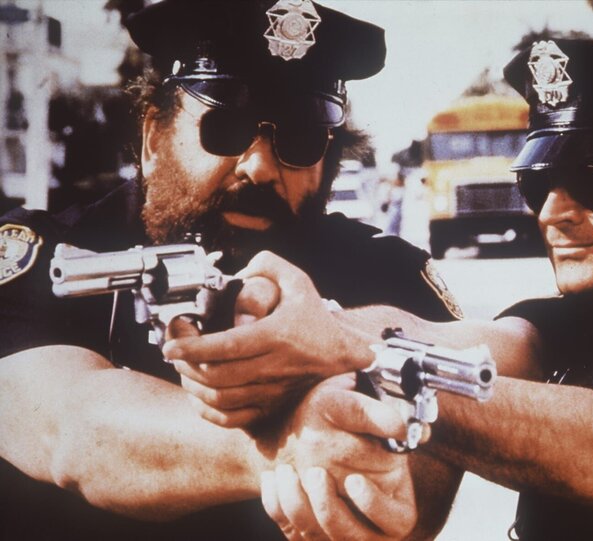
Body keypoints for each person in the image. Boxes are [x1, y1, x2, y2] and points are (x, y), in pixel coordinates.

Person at [166, 39, 593, 540]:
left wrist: (346, 352)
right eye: (537, 184)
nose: (551, 213)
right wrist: (286, 319)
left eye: (592, 181)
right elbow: (438, 340)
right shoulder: (574, 322)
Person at [0, 1, 462, 539]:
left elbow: (415, 501)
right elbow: (67, 428)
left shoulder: (388, 278)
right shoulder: (45, 258)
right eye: (226, 129)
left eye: (299, 139)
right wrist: (293, 448)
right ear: (154, 140)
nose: (260, 167)